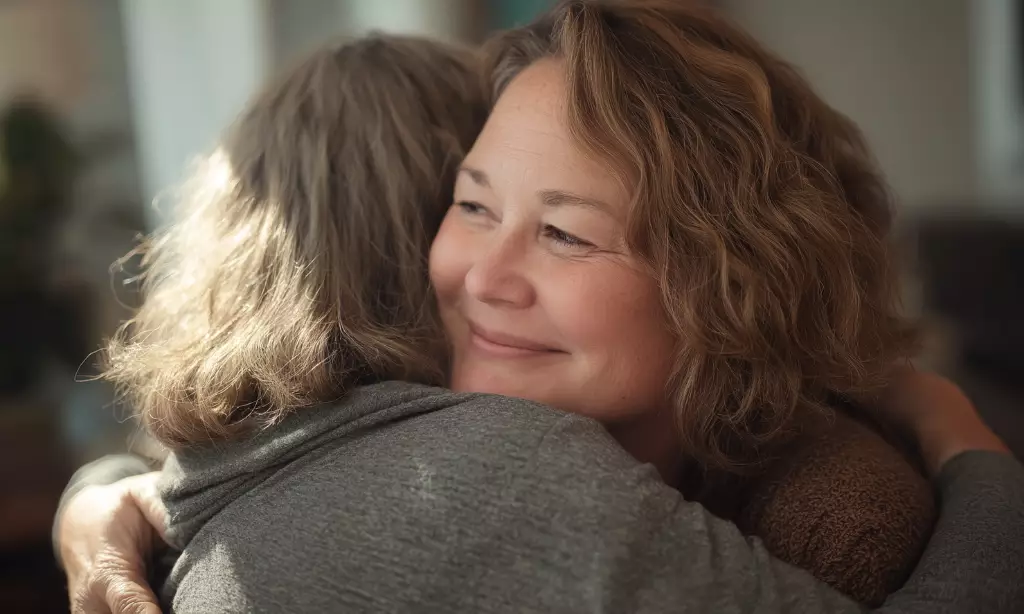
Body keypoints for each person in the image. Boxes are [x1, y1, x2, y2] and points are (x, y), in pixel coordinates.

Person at [56, 3, 1024, 613]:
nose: (485, 274)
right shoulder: (500, 468)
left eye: (564, 233)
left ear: (730, 284)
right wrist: (962, 435)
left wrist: (100, 490)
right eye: (471, 204)